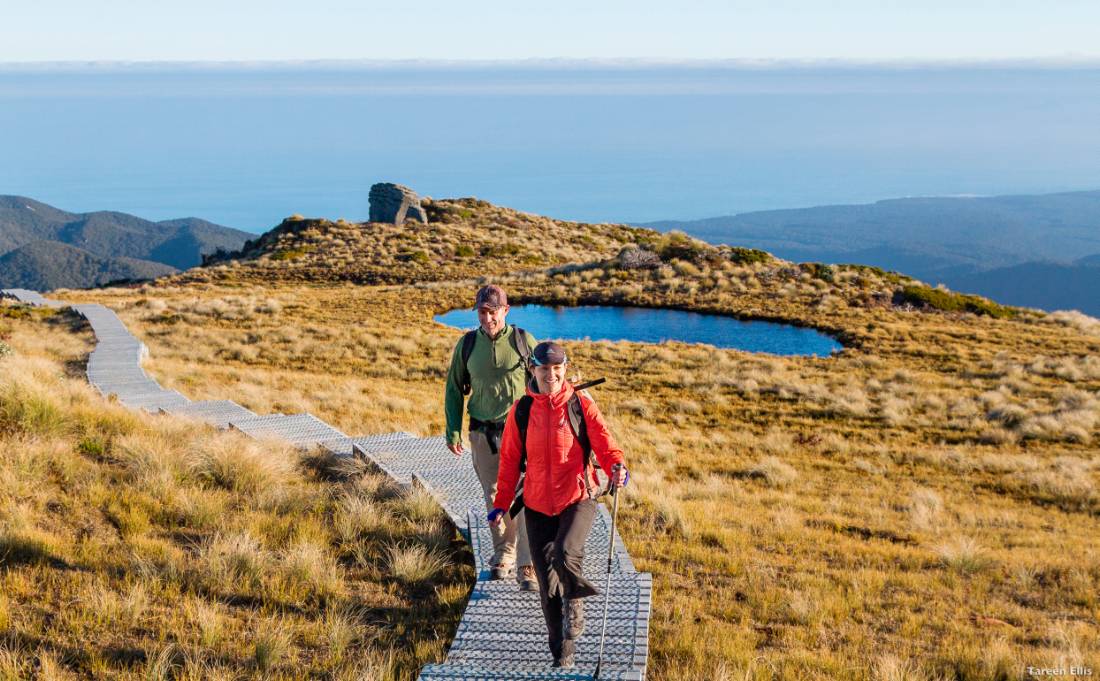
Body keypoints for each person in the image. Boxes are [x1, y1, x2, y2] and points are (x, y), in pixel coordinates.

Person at [489, 341, 630, 669]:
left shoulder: (581, 405)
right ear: (533, 370)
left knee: (566, 553)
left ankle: (575, 598)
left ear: (565, 369)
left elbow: (606, 444)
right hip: (537, 504)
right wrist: (500, 504)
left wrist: (616, 466)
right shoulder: (522, 410)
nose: (550, 375)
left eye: (556, 368)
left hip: (577, 498)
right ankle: (562, 656)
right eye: (544, 368)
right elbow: (509, 461)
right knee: (547, 588)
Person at [444, 284, 538, 590]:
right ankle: (504, 554)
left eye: (493, 312)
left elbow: (545, 383)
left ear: (505, 311)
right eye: (482, 312)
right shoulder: (468, 344)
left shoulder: (524, 341)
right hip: (483, 434)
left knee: (525, 495)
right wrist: (453, 429)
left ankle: (527, 563)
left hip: (521, 434)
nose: (487, 318)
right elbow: (454, 388)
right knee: (495, 495)